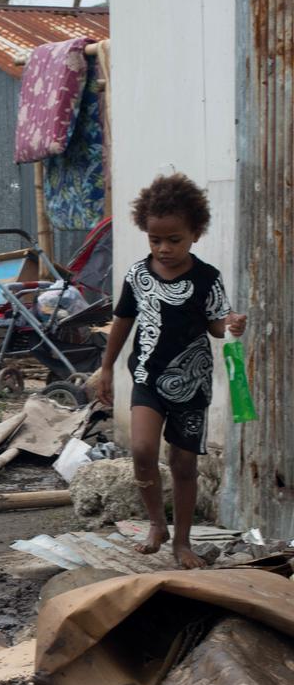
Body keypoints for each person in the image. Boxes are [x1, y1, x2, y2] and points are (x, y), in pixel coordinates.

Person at [90, 173, 247, 568]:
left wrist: (230, 324)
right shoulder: (138, 277)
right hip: (147, 376)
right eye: (154, 239)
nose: (163, 248)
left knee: (183, 464)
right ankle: (156, 524)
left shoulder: (207, 278)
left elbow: (215, 326)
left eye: (173, 240)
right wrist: (106, 368)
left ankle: (182, 541)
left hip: (192, 385)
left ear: (195, 232)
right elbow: (123, 322)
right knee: (142, 451)